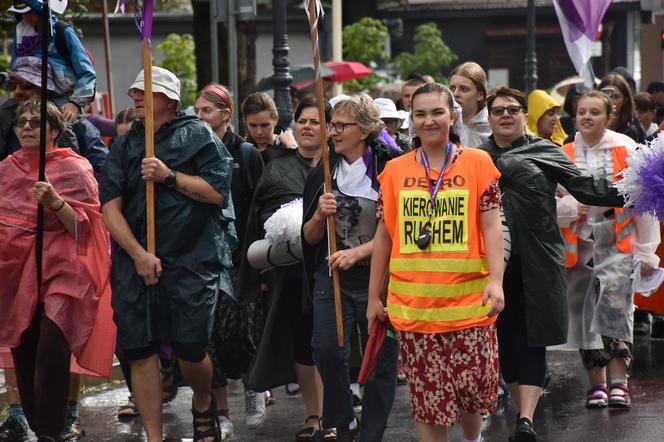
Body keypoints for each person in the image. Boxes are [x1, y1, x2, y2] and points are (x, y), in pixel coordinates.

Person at [479, 87, 625, 441]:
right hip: (488, 264)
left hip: (538, 259)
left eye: (513, 110)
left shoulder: (543, 149)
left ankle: (525, 419)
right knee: (503, 342)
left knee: (533, 338)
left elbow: (587, 187)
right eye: (498, 111)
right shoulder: (474, 156)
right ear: (489, 117)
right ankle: (520, 411)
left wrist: (636, 190)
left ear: (522, 114)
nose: (506, 116)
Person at [100, 67, 235, 442]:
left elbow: (217, 193)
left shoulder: (199, 136)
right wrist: (139, 255)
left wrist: (169, 176)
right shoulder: (126, 144)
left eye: (145, 91)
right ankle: (155, 436)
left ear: (169, 99)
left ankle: (204, 402)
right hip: (135, 262)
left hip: (192, 259)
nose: (136, 97)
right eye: (134, 91)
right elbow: (110, 208)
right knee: (139, 347)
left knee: (191, 347)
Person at [364, 82, 505, 442]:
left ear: (453, 116)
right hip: (415, 312)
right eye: (420, 114)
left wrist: (496, 281)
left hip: (470, 307)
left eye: (437, 112)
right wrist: (373, 299)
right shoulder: (394, 171)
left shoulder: (478, 163)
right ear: (411, 120)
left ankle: (473, 439)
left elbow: (491, 225)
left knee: (472, 392)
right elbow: (384, 237)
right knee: (429, 400)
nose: (429, 121)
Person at [0, 98, 114, 442]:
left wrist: (56, 202)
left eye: (36, 122)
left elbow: (88, 231)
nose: (28, 128)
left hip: (65, 273)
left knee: (52, 349)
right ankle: (39, 426)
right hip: (18, 274)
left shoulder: (75, 169)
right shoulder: (7, 168)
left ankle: (49, 431)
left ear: (54, 130)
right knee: (26, 351)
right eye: (23, 122)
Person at [302, 94, 402, 442]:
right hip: (331, 278)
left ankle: (372, 433)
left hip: (380, 279)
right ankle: (343, 422)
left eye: (341, 125)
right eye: (333, 125)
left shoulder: (392, 168)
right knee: (326, 349)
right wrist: (318, 214)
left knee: (378, 360)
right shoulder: (324, 171)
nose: (333, 132)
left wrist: (359, 252)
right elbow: (309, 237)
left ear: (365, 130)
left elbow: (400, 232)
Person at [557, 91, 660, 409]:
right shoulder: (563, 152)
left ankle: (620, 384)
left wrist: (647, 251)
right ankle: (597, 385)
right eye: (581, 112)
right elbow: (550, 201)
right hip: (579, 245)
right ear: (574, 117)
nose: (587, 117)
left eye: (594, 112)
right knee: (583, 315)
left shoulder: (625, 148)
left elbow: (643, 202)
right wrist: (571, 209)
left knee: (615, 310)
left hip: (618, 242)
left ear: (609, 115)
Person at [237, 98, 328, 440]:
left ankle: (337, 411)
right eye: (302, 120)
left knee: (331, 345)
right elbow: (261, 216)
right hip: (292, 273)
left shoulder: (344, 166)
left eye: (315, 122)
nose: (307, 126)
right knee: (305, 344)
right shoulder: (277, 167)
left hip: (336, 271)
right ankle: (314, 415)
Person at [194, 83, 265, 438]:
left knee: (241, 334)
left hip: (241, 260)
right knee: (209, 340)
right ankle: (221, 413)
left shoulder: (247, 153)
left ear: (226, 114)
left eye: (207, 111)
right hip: (205, 259)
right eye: (197, 111)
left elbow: (260, 203)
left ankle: (254, 386)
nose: (201, 117)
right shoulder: (193, 152)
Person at [0, 56, 108, 179]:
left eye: (26, 84)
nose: (18, 91)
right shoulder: (4, 120)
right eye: (13, 85)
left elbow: (103, 171)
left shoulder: (75, 124)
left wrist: (76, 191)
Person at [8, 0, 96, 122]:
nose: (25, 17)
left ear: (41, 11)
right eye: (21, 13)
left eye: (29, 12)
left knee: (63, 126)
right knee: (6, 118)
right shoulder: (20, 33)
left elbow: (86, 72)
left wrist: (75, 102)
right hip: (29, 95)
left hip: (62, 97)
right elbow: (15, 69)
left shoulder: (62, 31)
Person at [240, 91, 297, 164]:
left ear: (275, 120)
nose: (259, 132)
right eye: (253, 125)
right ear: (245, 121)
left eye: (264, 125)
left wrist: (292, 147)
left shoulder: (285, 147)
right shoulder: (241, 150)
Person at [448, 61, 491, 147]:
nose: (455, 94)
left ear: (480, 95)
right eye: (452, 88)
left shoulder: (493, 126)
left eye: (463, 89)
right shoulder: (444, 124)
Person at [598, 73, 644, 144]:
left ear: (625, 100)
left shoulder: (633, 127)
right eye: (606, 96)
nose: (610, 101)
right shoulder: (590, 122)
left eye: (616, 97)